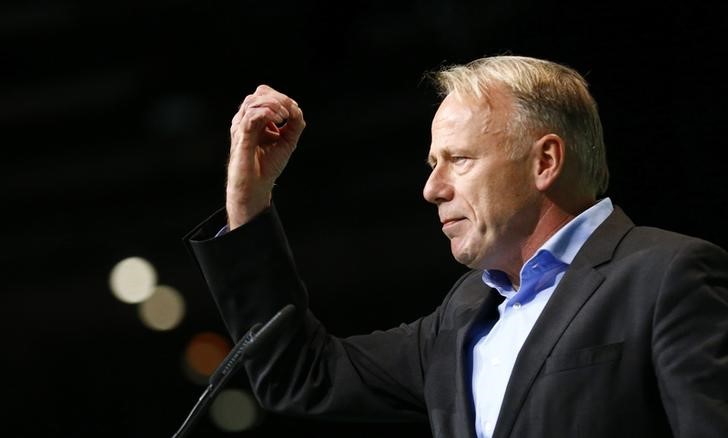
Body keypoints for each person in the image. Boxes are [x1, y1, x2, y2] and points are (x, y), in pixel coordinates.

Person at [184, 55, 728, 437]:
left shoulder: (667, 276)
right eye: (432, 164)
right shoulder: (461, 317)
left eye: (459, 160)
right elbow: (301, 374)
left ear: (545, 162)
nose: (432, 188)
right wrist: (248, 198)